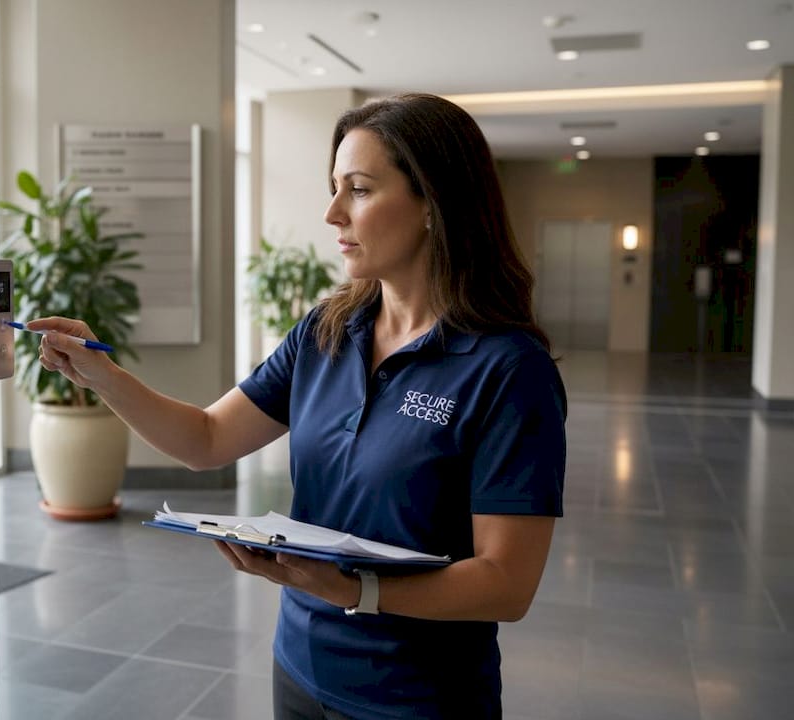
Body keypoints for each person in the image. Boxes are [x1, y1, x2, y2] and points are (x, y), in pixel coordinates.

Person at [30, 93, 566, 720]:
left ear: (433, 203)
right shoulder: (326, 331)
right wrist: (102, 375)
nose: (332, 212)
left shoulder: (508, 370)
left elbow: (506, 584)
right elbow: (206, 438)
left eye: (358, 190)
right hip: (300, 668)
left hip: (417, 698)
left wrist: (356, 590)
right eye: (334, 188)